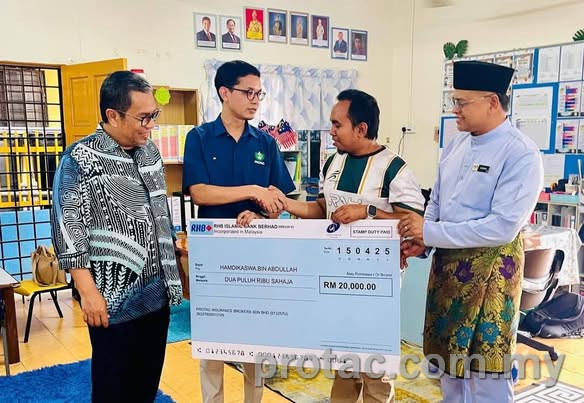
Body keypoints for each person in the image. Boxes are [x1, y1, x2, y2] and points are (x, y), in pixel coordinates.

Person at [399, 61, 544, 402]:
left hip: (491, 277)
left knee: (486, 376)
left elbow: (502, 227)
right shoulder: (455, 145)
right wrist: (422, 240)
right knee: (448, 369)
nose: (455, 110)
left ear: (492, 102)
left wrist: (430, 233)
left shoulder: (521, 153)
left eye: (462, 102)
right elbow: (436, 200)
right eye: (454, 101)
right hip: (448, 274)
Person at [283, 89, 425, 403]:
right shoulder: (333, 162)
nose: (331, 131)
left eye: (337, 124)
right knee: (344, 363)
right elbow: (323, 209)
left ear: (361, 128)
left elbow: (414, 224)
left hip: (376, 285)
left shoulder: (394, 169)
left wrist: (368, 211)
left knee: (375, 368)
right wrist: (286, 204)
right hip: (336, 278)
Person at [51, 71, 183, 402]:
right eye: (143, 117)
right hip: (111, 300)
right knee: (112, 390)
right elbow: (68, 227)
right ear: (113, 115)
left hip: (157, 294)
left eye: (154, 115)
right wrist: (87, 291)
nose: (151, 124)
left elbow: (159, 213)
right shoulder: (79, 158)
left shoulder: (150, 153)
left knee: (146, 385)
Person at [182, 60, 295, 403]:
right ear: (224, 92)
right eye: (248, 92)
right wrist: (251, 189)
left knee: (254, 341)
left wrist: (262, 213)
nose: (255, 100)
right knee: (212, 341)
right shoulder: (199, 138)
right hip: (212, 255)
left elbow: (280, 200)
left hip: (256, 256)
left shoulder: (266, 143)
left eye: (259, 93)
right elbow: (200, 193)